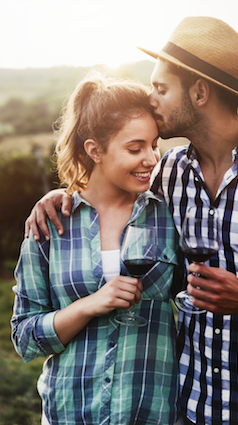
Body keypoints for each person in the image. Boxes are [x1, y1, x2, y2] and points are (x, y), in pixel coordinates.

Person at [24, 16, 238, 425]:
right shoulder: (170, 174)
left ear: (200, 92)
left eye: (161, 88)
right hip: (193, 409)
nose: (151, 99)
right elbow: (109, 189)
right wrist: (62, 195)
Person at [11, 72, 180, 425]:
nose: (150, 158)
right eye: (135, 148)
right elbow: (25, 338)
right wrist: (89, 305)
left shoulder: (169, 216)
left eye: (154, 145)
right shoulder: (51, 224)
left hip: (149, 414)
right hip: (71, 413)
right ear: (95, 150)